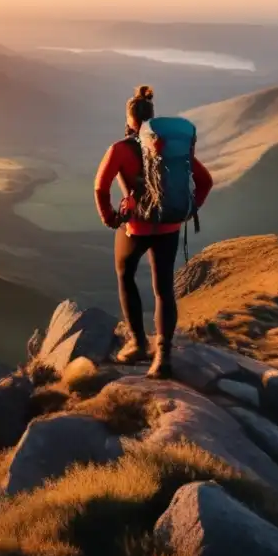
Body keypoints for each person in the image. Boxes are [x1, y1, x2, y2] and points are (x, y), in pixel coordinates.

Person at [93, 85, 213, 379]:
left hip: (135, 226)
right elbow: (205, 181)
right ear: (151, 117)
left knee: (126, 276)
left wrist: (110, 217)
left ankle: (137, 344)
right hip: (169, 226)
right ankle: (164, 357)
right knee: (163, 291)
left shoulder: (120, 149)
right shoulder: (172, 149)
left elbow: (100, 186)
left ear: (129, 118)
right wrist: (187, 210)